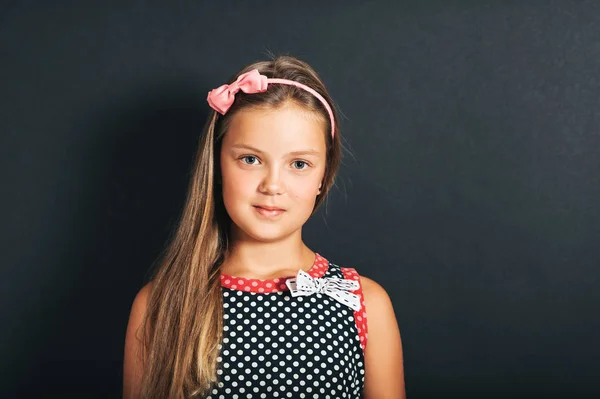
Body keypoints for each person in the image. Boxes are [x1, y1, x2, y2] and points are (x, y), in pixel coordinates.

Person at [123, 55, 405, 399]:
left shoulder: (364, 303)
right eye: (250, 159)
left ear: (323, 175)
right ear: (217, 165)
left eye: (299, 164)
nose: (273, 185)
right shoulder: (161, 305)